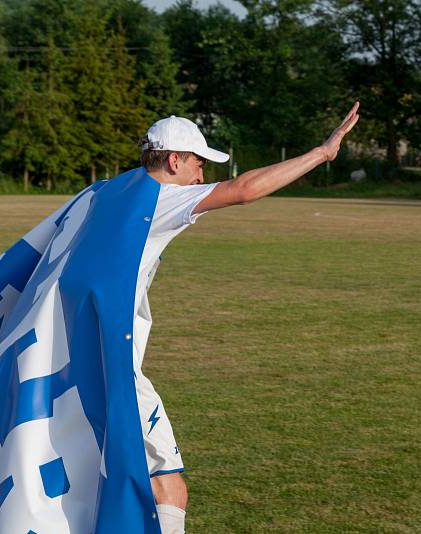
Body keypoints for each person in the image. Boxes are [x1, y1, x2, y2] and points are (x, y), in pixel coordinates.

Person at [133, 102, 360, 534]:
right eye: (198, 163)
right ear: (174, 160)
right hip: (112, 366)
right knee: (168, 486)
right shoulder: (160, 197)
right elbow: (243, 189)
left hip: (61, 362)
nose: (201, 176)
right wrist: (322, 153)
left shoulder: (104, 193)